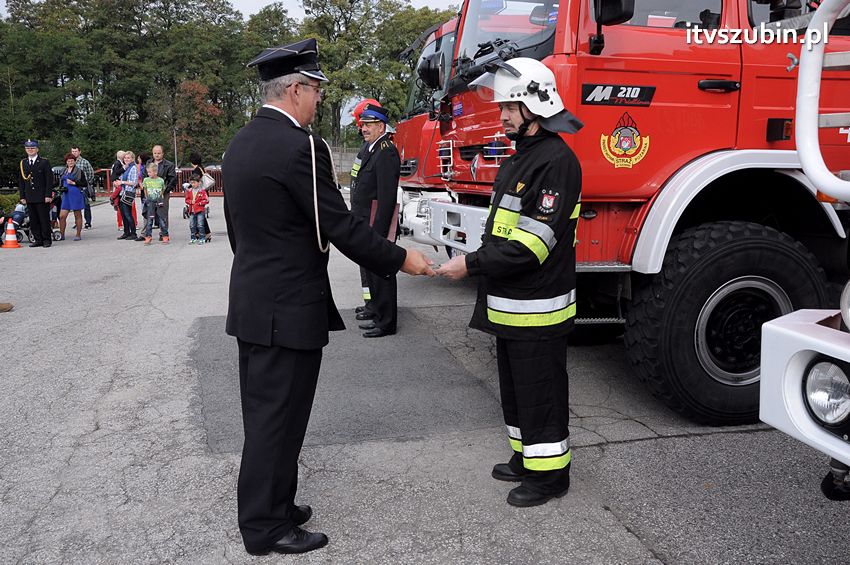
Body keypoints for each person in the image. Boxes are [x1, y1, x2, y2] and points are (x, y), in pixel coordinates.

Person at [224, 38, 434, 556]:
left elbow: (237, 230)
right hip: (287, 307)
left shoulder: (242, 141)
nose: (320, 100)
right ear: (295, 89)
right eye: (316, 90)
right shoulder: (302, 146)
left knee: (267, 413)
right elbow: (337, 224)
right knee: (280, 418)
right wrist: (401, 258)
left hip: (254, 298)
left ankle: (277, 502)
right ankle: (264, 527)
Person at [436, 57, 584, 507]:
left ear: (536, 107)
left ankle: (550, 477)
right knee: (518, 391)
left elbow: (530, 247)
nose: (501, 117)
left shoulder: (556, 162)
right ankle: (526, 460)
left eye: (509, 108)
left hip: (537, 307)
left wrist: (471, 265)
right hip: (511, 305)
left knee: (540, 393)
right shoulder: (524, 158)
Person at [350, 103, 401, 338]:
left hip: (376, 224)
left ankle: (386, 322)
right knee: (370, 270)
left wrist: (379, 232)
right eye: (363, 125)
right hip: (364, 221)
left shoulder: (386, 150)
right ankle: (376, 309)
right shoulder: (371, 148)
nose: (364, 129)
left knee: (382, 272)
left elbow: (387, 196)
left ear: (381, 127)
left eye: (369, 125)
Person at [349, 98, 379, 321]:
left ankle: (375, 305)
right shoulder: (365, 148)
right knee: (364, 266)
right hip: (360, 214)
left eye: (362, 123)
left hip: (369, 216)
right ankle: (369, 304)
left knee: (373, 267)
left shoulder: (380, 149)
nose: (360, 128)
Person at [18, 139, 54, 248]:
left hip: (42, 196)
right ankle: (38, 240)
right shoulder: (23, 162)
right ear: (25, 149)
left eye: (32, 148)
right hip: (29, 196)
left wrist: (48, 195)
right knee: (33, 220)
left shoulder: (44, 162)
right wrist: (22, 196)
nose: (30, 150)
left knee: (44, 219)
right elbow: (21, 181)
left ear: (37, 149)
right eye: (28, 148)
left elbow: (49, 180)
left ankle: (47, 240)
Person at [149, 145, 177, 239]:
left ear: (162, 153)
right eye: (155, 153)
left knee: (163, 212)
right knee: (150, 212)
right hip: (150, 192)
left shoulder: (169, 165)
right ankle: (147, 233)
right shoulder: (149, 163)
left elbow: (172, 179)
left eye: (158, 153)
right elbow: (145, 175)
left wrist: (166, 189)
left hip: (163, 192)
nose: (156, 155)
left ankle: (163, 233)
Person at [58, 153, 87, 241]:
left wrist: (74, 183)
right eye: (68, 161)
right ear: (66, 162)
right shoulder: (64, 171)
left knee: (77, 214)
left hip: (76, 194)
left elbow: (84, 183)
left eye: (72, 161)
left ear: (75, 161)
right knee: (62, 216)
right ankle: (61, 234)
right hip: (66, 195)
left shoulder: (79, 171)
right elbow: (59, 181)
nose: (70, 162)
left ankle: (78, 234)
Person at [115, 151, 141, 240]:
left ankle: (133, 233)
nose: (126, 159)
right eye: (125, 158)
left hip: (128, 193)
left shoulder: (133, 168)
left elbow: (134, 182)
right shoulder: (126, 168)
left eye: (128, 158)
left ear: (132, 159)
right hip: (122, 192)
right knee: (123, 214)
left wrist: (122, 182)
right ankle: (126, 232)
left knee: (128, 214)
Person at [141, 162, 169, 244]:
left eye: (150, 172)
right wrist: (147, 198)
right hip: (150, 202)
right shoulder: (146, 180)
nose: (148, 174)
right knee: (149, 220)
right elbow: (145, 189)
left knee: (162, 219)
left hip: (159, 201)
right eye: (148, 172)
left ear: (155, 172)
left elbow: (163, 189)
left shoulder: (161, 180)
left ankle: (165, 235)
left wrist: (160, 197)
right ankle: (148, 236)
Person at [189, 152, 212, 242]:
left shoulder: (196, 170)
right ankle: (202, 232)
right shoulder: (201, 168)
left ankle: (206, 233)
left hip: (198, 194)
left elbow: (195, 182)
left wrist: (189, 187)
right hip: (203, 192)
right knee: (200, 213)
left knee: (199, 214)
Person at [71, 146, 94, 229]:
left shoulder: (84, 162)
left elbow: (91, 173)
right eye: (72, 151)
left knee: (86, 204)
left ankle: (88, 222)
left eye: (75, 151)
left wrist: (88, 183)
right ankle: (77, 221)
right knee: (76, 206)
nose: (74, 153)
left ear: (79, 152)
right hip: (74, 187)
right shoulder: (70, 162)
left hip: (83, 187)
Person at [185, 174, 208, 244]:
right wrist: (190, 202)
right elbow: (186, 200)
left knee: (200, 225)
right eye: (191, 183)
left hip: (200, 210)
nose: (193, 184)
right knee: (192, 225)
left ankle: (202, 238)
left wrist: (200, 203)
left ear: (199, 182)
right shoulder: (189, 191)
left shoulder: (202, 191)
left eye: (194, 182)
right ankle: (193, 238)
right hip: (192, 210)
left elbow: (206, 200)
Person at [111, 150, 127, 231]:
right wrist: (124, 168)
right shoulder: (118, 163)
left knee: (119, 195)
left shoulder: (118, 163)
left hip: (117, 180)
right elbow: (116, 172)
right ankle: (113, 198)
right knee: (118, 190)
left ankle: (115, 201)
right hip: (116, 180)